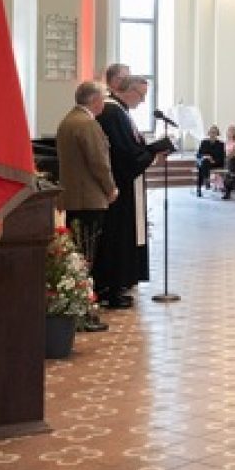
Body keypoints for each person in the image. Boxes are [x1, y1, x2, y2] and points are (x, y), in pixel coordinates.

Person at [95, 75, 163, 309]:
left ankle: (119, 284)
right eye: (141, 95)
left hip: (124, 185)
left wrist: (148, 151)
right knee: (117, 235)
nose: (142, 101)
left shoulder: (120, 112)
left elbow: (131, 147)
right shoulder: (113, 112)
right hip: (119, 186)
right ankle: (112, 286)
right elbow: (124, 154)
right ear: (129, 91)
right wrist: (150, 153)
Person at [54, 80, 117, 333]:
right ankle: (85, 313)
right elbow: (99, 162)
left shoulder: (68, 121)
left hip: (73, 197)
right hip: (89, 199)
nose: (104, 103)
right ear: (94, 100)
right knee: (87, 257)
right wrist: (110, 188)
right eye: (103, 98)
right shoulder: (87, 124)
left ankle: (78, 309)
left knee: (78, 255)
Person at [195, 124, 225, 197]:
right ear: (209, 133)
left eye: (214, 132)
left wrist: (213, 160)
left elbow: (221, 157)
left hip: (215, 163)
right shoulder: (204, 142)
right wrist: (205, 157)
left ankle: (203, 183)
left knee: (202, 166)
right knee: (204, 162)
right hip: (205, 162)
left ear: (217, 134)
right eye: (211, 132)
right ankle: (206, 180)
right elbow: (198, 155)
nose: (212, 134)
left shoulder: (221, 144)